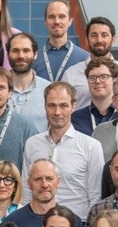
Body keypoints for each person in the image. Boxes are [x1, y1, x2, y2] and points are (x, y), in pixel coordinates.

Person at [23, 82, 105, 217]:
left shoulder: (91, 146)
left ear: (73, 106)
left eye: (63, 105)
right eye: (52, 106)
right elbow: (26, 190)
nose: (57, 112)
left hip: (76, 225)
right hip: (38, 222)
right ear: (45, 107)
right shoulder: (32, 144)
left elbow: (96, 196)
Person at [5, 159, 63, 227]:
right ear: (29, 184)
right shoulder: (13, 222)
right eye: (38, 179)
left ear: (58, 182)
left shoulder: (71, 222)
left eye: (49, 178)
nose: (44, 184)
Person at [60, 17, 118, 95]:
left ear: (113, 39)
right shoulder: (71, 74)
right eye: (94, 35)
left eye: (104, 35)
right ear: (87, 40)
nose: (99, 40)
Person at [3, 33, 51, 134]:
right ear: (7, 55)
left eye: (26, 50)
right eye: (15, 51)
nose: (21, 56)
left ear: (35, 54)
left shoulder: (49, 90)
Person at [36, 0, 88, 84]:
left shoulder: (85, 59)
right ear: (45, 22)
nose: (56, 21)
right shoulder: (34, 59)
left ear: (70, 21)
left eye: (62, 16)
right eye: (51, 17)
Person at [71, 58, 118, 137]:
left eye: (103, 77)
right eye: (92, 78)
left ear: (114, 80)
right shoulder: (74, 119)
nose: (97, 81)